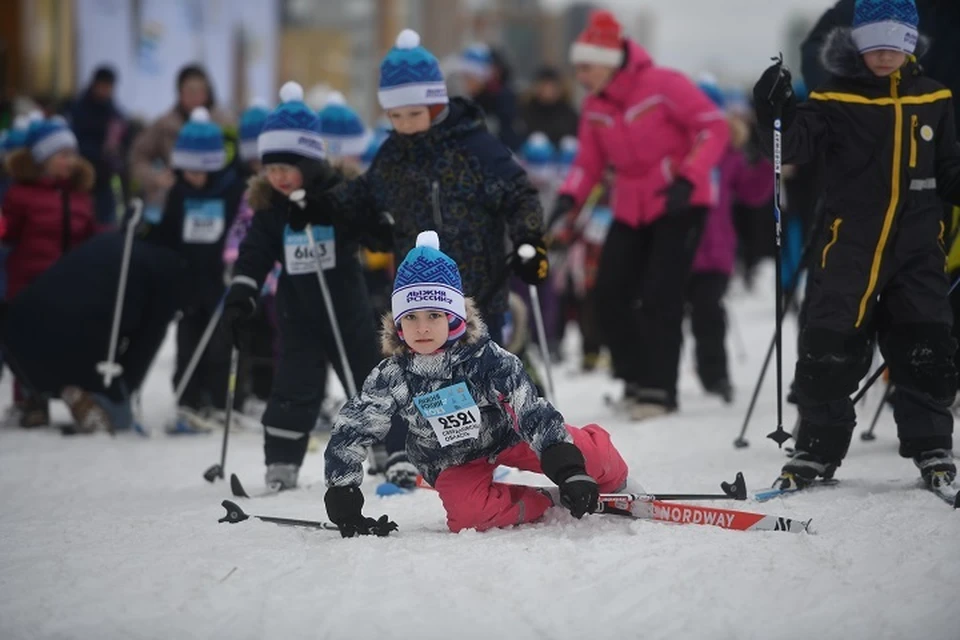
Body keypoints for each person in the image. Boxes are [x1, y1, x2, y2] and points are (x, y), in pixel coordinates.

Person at [753, 0, 960, 491]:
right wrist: (773, 111)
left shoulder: (934, 97)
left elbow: (949, 168)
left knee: (924, 341)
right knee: (830, 342)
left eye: (896, 44)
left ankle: (931, 442)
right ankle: (816, 449)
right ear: (857, 43)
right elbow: (794, 145)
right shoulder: (834, 96)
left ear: (910, 44)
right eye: (874, 44)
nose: (884, 55)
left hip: (918, 246)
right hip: (848, 245)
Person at [323, 231, 633, 536]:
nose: (422, 328)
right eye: (411, 317)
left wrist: (569, 469)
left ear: (454, 317)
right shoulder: (392, 374)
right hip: (450, 458)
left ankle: (619, 481)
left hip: (508, 435)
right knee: (469, 516)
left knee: (591, 458)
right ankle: (540, 501)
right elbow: (355, 426)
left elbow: (531, 410)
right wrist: (342, 490)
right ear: (398, 323)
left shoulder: (487, 359)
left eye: (434, 315)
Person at [318, 29, 549, 347]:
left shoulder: (475, 146)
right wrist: (321, 206)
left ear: (436, 104)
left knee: (482, 381)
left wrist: (530, 240)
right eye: (395, 116)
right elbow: (364, 194)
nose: (405, 124)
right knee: (427, 384)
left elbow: (519, 193)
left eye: (414, 113)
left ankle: (518, 388)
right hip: (419, 300)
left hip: (480, 291)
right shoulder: (394, 154)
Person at [552, 10, 729, 420]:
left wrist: (691, 176)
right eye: (577, 67)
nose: (580, 75)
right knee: (608, 291)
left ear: (609, 60)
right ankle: (633, 375)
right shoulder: (595, 106)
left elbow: (713, 128)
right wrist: (567, 198)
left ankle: (659, 388)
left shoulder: (664, 84)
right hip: (630, 205)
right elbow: (587, 163)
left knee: (660, 294)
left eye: (586, 66)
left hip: (679, 201)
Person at [220, 82, 381, 491]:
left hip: (347, 308)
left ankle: (388, 449)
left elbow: (370, 228)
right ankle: (282, 460)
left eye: (285, 169)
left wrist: (338, 215)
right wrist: (243, 290)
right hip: (299, 314)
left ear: (309, 163)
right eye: (270, 169)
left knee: (366, 378)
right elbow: (255, 252)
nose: (277, 177)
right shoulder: (272, 208)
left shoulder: (339, 193)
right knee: (294, 384)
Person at [0, 228, 189, 434]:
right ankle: (82, 396)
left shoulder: (108, 243)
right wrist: (121, 392)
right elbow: (143, 346)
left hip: (18, 331)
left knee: (47, 343)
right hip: (75, 338)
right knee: (120, 418)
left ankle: (36, 397)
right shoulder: (169, 275)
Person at [147, 107, 245, 430]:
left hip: (220, 280)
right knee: (188, 340)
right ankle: (188, 398)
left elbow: (240, 228)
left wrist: (235, 259)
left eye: (200, 171)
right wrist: (145, 229)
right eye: (187, 170)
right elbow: (169, 232)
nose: (193, 177)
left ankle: (218, 400)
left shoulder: (230, 190)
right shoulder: (179, 191)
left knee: (220, 344)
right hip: (189, 280)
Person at [1, 115, 100, 427]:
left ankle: (73, 393)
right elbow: (6, 232)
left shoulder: (80, 195)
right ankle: (31, 400)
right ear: (43, 160)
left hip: (66, 282)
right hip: (29, 281)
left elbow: (89, 234)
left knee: (67, 340)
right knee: (27, 342)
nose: (70, 161)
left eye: (72, 154)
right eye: (62, 155)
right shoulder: (20, 195)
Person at [687, 82, 774, 404]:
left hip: (715, 251)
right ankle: (654, 379)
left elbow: (752, 193)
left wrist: (767, 163)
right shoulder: (672, 150)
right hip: (676, 248)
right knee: (663, 314)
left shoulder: (729, 154)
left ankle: (716, 375)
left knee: (708, 310)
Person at [129, 65, 233, 220]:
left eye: (201, 91)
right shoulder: (164, 124)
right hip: (174, 202)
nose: (196, 97)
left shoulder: (225, 123)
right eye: (190, 91)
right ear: (180, 93)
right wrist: (155, 178)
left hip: (218, 202)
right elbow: (137, 156)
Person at [67, 66, 127, 225]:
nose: (106, 91)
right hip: (82, 175)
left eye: (109, 87)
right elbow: (75, 142)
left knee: (105, 221)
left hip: (105, 176)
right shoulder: (78, 109)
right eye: (103, 86)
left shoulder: (114, 111)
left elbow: (122, 138)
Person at [455, 44, 522, 150]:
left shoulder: (501, 97)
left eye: (469, 77)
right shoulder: (469, 100)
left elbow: (509, 134)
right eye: (464, 77)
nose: (465, 83)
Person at [519, 66, 580, 147]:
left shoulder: (569, 112)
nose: (548, 90)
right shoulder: (526, 110)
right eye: (544, 85)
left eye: (552, 86)